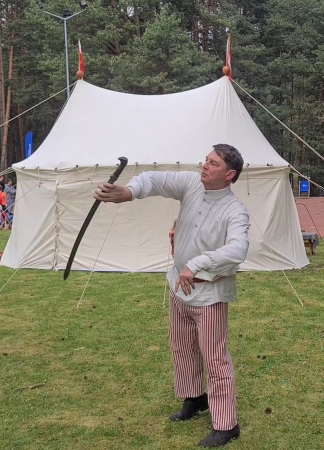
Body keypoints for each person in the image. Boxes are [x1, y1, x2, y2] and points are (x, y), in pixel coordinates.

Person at [95, 144, 249, 448]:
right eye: (206, 160)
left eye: (213, 163)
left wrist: (196, 264)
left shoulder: (235, 211)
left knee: (215, 358)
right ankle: (194, 398)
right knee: (182, 347)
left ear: (229, 174)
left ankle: (226, 425)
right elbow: (155, 179)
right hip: (179, 288)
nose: (205, 165)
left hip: (210, 295)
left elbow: (238, 249)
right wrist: (129, 192)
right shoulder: (192, 183)